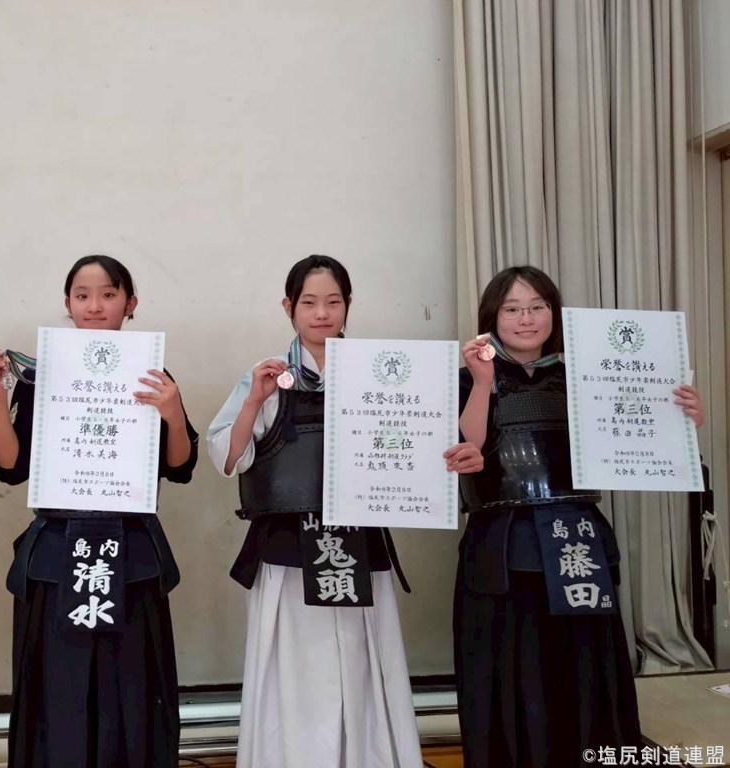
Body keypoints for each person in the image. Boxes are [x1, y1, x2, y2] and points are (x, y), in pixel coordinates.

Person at [206, 255, 484, 768]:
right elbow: (227, 458)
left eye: (333, 302)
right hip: (289, 546)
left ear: (348, 305)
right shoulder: (269, 376)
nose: (322, 313)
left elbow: (418, 446)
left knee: (360, 659)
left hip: (358, 540)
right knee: (293, 667)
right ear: (288, 307)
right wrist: (253, 402)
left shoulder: (381, 374)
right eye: (309, 302)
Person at [453, 265, 705, 768]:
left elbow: (641, 436)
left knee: (585, 663)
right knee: (513, 663)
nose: (526, 318)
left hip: (578, 537)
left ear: (555, 313)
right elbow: (466, 446)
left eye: (537, 307)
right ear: (492, 318)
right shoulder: (466, 377)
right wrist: (482, 383)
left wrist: (682, 420)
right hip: (504, 544)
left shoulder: (589, 374)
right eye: (512, 309)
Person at [0, 254, 198, 768]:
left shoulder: (153, 373)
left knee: (132, 688)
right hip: (56, 552)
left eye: (108, 294)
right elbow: (11, 467)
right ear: (68, 303)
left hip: (131, 551)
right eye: (82, 295)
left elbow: (180, 467)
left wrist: (172, 414)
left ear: (130, 303)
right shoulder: (41, 374)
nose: (95, 306)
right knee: (57, 690)